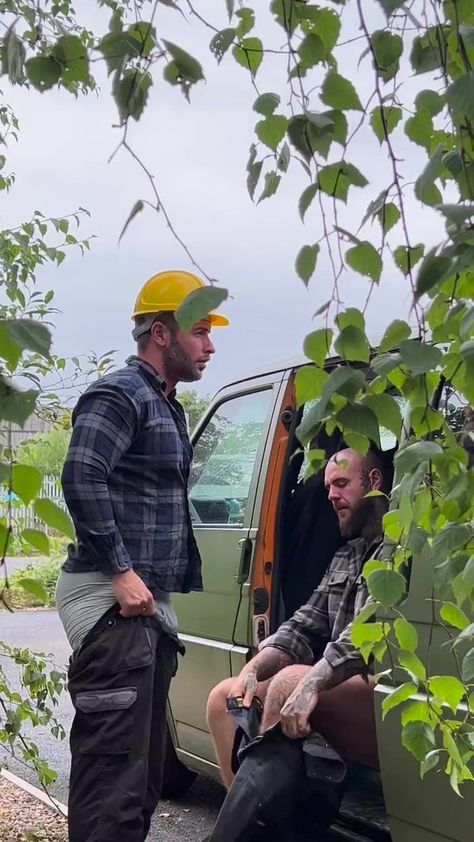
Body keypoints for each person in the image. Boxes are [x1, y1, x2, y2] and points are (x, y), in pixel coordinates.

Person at [56, 270, 228, 842]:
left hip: (139, 610)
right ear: (161, 332)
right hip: (111, 605)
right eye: (199, 331)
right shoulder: (120, 394)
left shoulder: (166, 406)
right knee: (114, 793)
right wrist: (122, 571)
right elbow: (81, 475)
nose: (209, 345)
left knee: (140, 786)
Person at [207, 447, 390, 789]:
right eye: (328, 489)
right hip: (340, 681)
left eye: (341, 484)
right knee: (224, 698)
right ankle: (248, 823)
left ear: (374, 482)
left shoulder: (399, 551)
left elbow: (365, 637)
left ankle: (259, 824)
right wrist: (250, 671)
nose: (332, 497)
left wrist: (310, 681)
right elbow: (304, 626)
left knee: (288, 681)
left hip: (383, 688)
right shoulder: (345, 555)